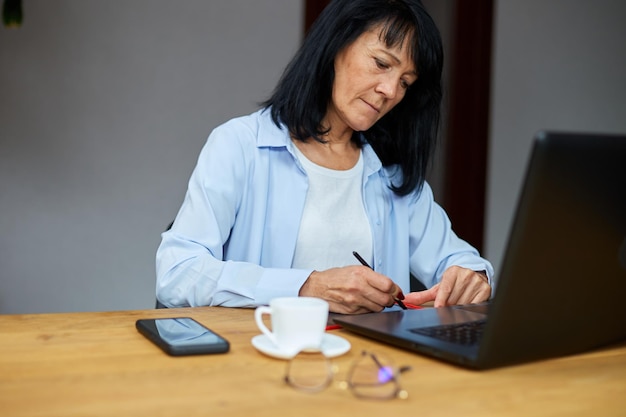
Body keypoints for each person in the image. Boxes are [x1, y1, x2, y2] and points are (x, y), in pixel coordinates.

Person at [156, 0, 494, 314]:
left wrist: (472, 276)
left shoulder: (392, 174)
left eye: (406, 82)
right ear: (336, 44)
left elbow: (459, 259)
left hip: (369, 371)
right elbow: (177, 272)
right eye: (381, 63)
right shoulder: (241, 145)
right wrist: (307, 286)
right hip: (258, 365)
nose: (390, 91)